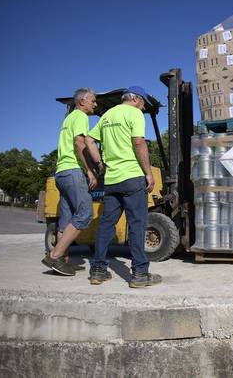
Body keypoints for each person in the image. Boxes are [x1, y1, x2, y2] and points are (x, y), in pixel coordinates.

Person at [85, 86, 161, 288]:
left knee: (105, 225)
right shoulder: (134, 114)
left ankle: (98, 270)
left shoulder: (108, 115)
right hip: (132, 177)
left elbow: (89, 140)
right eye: (143, 103)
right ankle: (140, 274)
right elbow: (138, 143)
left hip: (111, 180)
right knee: (137, 225)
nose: (143, 107)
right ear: (136, 99)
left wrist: (100, 163)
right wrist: (148, 173)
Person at [42, 88, 98, 276]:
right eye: (93, 101)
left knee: (65, 221)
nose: (95, 104)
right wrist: (90, 169)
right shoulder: (81, 116)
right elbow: (79, 143)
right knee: (85, 213)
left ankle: (63, 261)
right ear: (82, 101)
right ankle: (55, 254)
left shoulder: (68, 119)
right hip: (73, 171)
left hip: (61, 173)